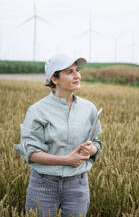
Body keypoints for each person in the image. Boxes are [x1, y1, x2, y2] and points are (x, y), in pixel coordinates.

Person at [14, 53, 102, 217]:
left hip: (78, 185)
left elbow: (97, 143)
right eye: (70, 72)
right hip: (44, 184)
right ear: (55, 79)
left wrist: (91, 150)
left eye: (77, 70)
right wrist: (66, 160)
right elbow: (31, 153)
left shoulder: (89, 108)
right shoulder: (37, 110)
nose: (77, 75)